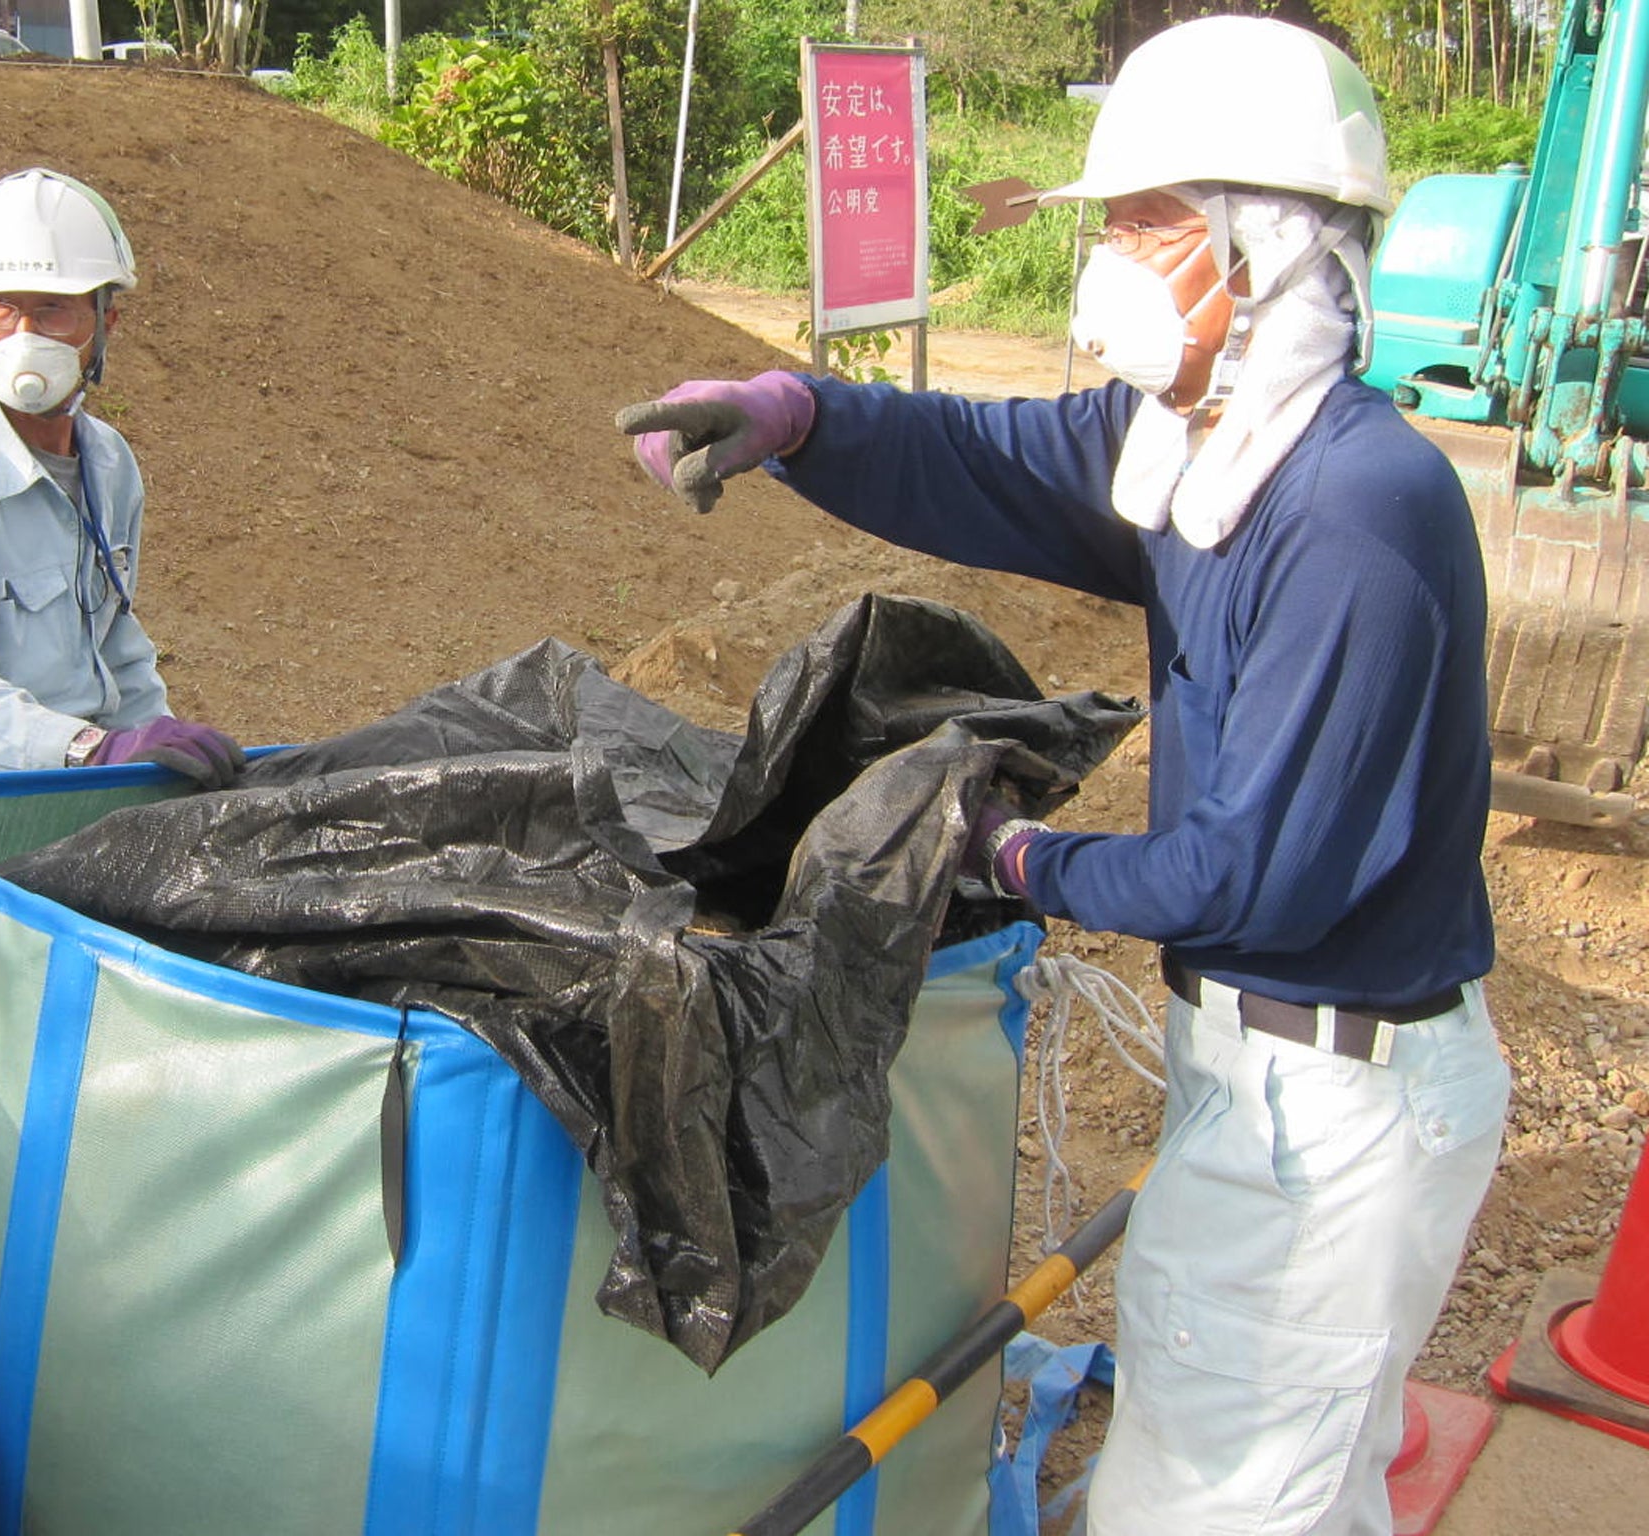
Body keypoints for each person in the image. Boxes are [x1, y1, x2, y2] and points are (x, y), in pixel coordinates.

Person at [617, 17, 1509, 1536]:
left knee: (1218, 1505)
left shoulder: (1354, 510)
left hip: (1334, 1100)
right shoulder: (1213, 449)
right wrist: (808, 419)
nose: (1109, 264)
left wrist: (1013, 856)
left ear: (1267, 241)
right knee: (1286, 1478)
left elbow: (1250, 873)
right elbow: (996, 460)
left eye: (1145, 226)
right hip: (1279, 1073)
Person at [0, 167, 243, 788]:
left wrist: (157, 747)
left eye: (52, 311)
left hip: (80, 791)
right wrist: (91, 749)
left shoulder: (109, 464)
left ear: (104, 324)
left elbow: (113, 638)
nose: (23, 338)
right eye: (0, 309)